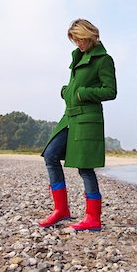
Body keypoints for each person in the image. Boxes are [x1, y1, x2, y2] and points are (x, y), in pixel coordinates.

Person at [39, 19, 117, 231]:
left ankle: (93, 218)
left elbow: (110, 91)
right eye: (75, 40)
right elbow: (76, 85)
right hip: (69, 118)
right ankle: (61, 210)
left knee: (85, 168)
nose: (78, 44)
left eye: (81, 39)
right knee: (50, 155)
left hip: (87, 120)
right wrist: (67, 90)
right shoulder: (78, 57)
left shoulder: (104, 60)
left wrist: (82, 93)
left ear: (91, 35)